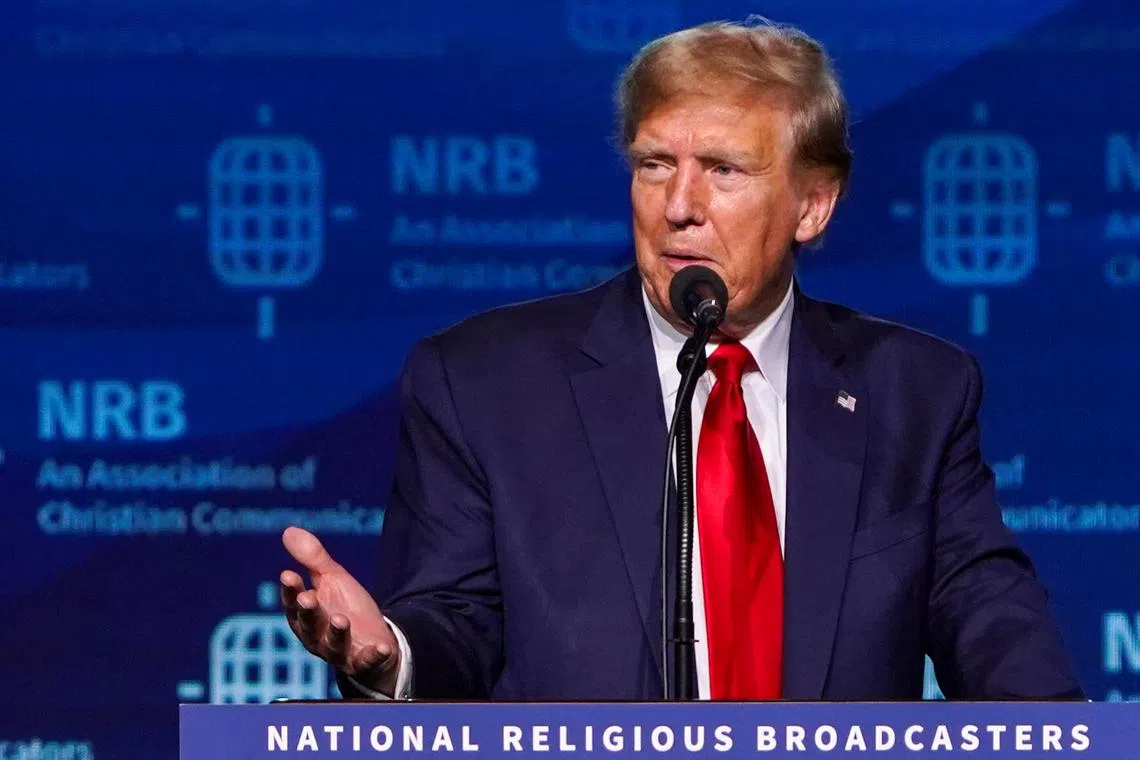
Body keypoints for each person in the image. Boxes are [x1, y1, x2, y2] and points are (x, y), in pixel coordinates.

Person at [279, 19, 1085, 701]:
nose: (678, 206)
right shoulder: (482, 384)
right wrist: (390, 655)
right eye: (653, 163)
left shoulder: (916, 394)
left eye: (724, 170)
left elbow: (988, 615)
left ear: (813, 203)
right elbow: (452, 622)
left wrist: (1076, 738)